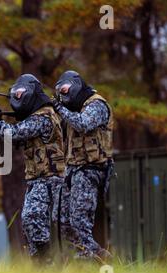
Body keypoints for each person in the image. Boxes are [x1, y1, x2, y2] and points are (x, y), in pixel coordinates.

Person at [0, 74, 65, 263]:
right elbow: (15, 137)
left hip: (49, 178)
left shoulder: (44, 117)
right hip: (38, 178)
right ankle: (40, 263)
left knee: (33, 217)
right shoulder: (37, 117)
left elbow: (14, 133)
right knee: (30, 221)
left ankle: (45, 261)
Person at [53, 70, 114, 261]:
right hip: (72, 171)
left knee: (80, 221)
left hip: (90, 171)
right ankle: (81, 258)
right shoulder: (74, 110)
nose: (63, 96)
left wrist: (58, 107)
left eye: (65, 91)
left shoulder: (97, 105)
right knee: (61, 220)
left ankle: (96, 259)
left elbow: (84, 124)